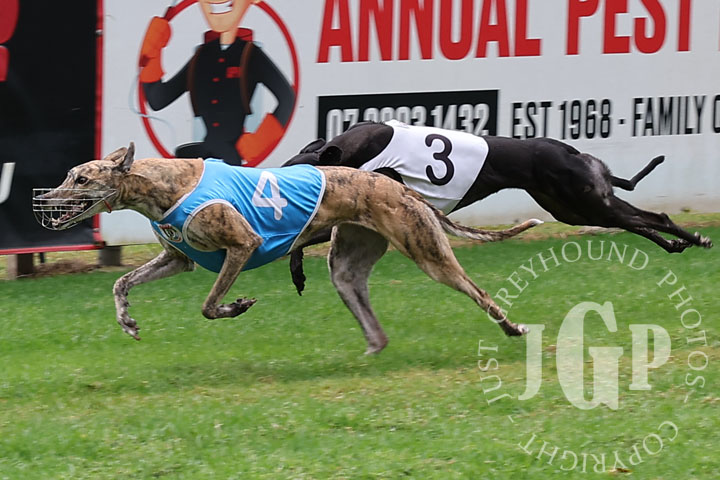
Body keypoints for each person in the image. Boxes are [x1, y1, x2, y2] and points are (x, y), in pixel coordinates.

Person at [139, 0, 295, 165]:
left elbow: (288, 98)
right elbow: (158, 99)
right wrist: (153, 54)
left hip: (231, 158)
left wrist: (260, 140)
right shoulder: (202, 56)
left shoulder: (249, 54)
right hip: (202, 156)